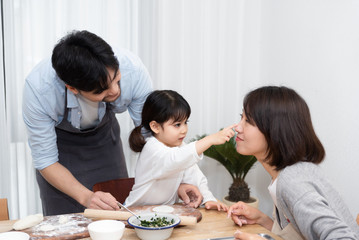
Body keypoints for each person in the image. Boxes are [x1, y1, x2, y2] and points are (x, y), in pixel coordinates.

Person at [22, 30, 202, 215]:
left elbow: (157, 135)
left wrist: (179, 180)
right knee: (65, 222)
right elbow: (46, 160)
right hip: (61, 154)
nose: (115, 91)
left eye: (117, 79)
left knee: (117, 211)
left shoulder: (133, 70)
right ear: (72, 88)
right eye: (102, 90)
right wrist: (86, 197)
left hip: (106, 141)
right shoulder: (39, 91)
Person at [227, 86, 359, 240]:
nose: (238, 127)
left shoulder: (292, 182)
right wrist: (262, 220)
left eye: (248, 121)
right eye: (241, 117)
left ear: (275, 129)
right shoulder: (287, 175)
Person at [124, 90, 235, 210]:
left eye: (185, 122)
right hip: (134, 213)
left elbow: (196, 177)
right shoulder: (152, 149)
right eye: (177, 125)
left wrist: (209, 199)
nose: (184, 130)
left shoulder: (180, 147)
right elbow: (175, 159)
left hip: (163, 214)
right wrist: (210, 140)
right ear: (155, 127)